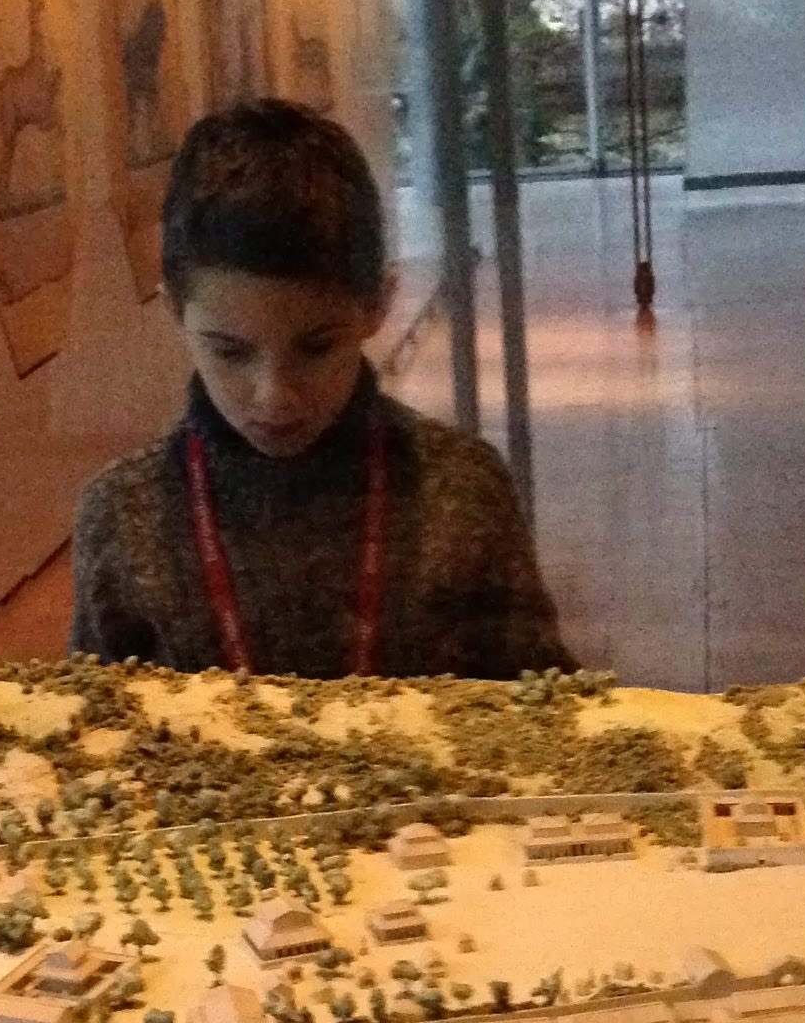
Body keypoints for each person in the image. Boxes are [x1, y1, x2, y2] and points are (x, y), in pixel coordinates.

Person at [72, 100, 567, 679]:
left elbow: (543, 708)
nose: (274, 396)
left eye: (316, 348)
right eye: (231, 352)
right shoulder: (121, 517)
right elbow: (94, 718)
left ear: (378, 305)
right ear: (176, 313)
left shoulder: (463, 491)